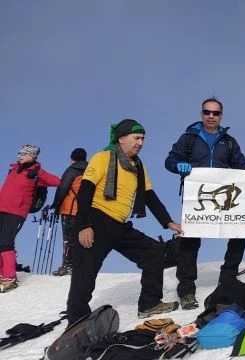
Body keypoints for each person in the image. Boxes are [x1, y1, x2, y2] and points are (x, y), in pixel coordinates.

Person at [66, 119, 182, 324]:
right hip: (96, 219)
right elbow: (85, 191)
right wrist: (84, 225)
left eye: (143, 139)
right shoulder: (103, 157)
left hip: (118, 225)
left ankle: (149, 303)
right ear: (121, 139)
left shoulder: (138, 166)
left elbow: (149, 196)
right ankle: (77, 320)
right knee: (85, 272)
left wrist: (168, 222)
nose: (141, 143)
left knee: (154, 252)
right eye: (136, 138)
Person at [164, 97, 245, 310]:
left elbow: (241, 165)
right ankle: (186, 290)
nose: (211, 116)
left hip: (224, 197)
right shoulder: (189, 138)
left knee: (239, 231)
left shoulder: (229, 141)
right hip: (197, 197)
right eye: (207, 112)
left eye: (215, 113)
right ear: (201, 114)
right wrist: (180, 166)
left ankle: (228, 280)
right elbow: (170, 160)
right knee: (190, 241)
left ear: (221, 116)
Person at [0, 145, 60, 293]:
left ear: (32, 156)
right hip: (2, 208)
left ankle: (9, 277)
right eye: (19, 152)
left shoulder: (37, 172)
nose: (19, 155)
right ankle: (2, 273)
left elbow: (57, 181)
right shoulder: (13, 169)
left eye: (23, 153)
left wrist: (74, 177)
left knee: (5, 242)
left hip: (17, 212)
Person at [50, 147, 89, 276]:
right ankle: (81, 266)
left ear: (72, 158)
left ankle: (68, 266)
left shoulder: (71, 170)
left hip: (70, 209)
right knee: (81, 239)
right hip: (86, 210)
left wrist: (55, 206)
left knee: (68, 239)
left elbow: (62, 188)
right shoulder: (90, 170)